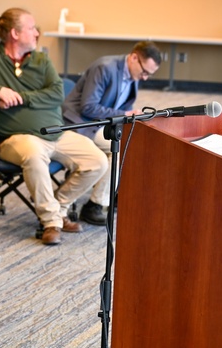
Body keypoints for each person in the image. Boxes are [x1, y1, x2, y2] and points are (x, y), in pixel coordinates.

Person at [0, 7, 108, 245]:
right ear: (15, 34)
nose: (37, 33)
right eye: (31, 28)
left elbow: (57, 94)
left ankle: (59, 207)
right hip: (16, 138)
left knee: (97, 161)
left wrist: (21, 97)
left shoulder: (41, 59)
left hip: (55, 133)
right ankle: (51, 222)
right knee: (34, 155)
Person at [61, 40, 162, 224]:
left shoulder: (133, 74)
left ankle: (109, 195)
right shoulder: (104, 68)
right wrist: (124, 114)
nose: (145, 78)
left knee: (132, 143)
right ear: (133, 58)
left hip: (101, 124)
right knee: (121, 147)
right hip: (81, 123)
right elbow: (88, 107)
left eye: (150, 74)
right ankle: (95, 205)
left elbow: (123, 105)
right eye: (145, 72)